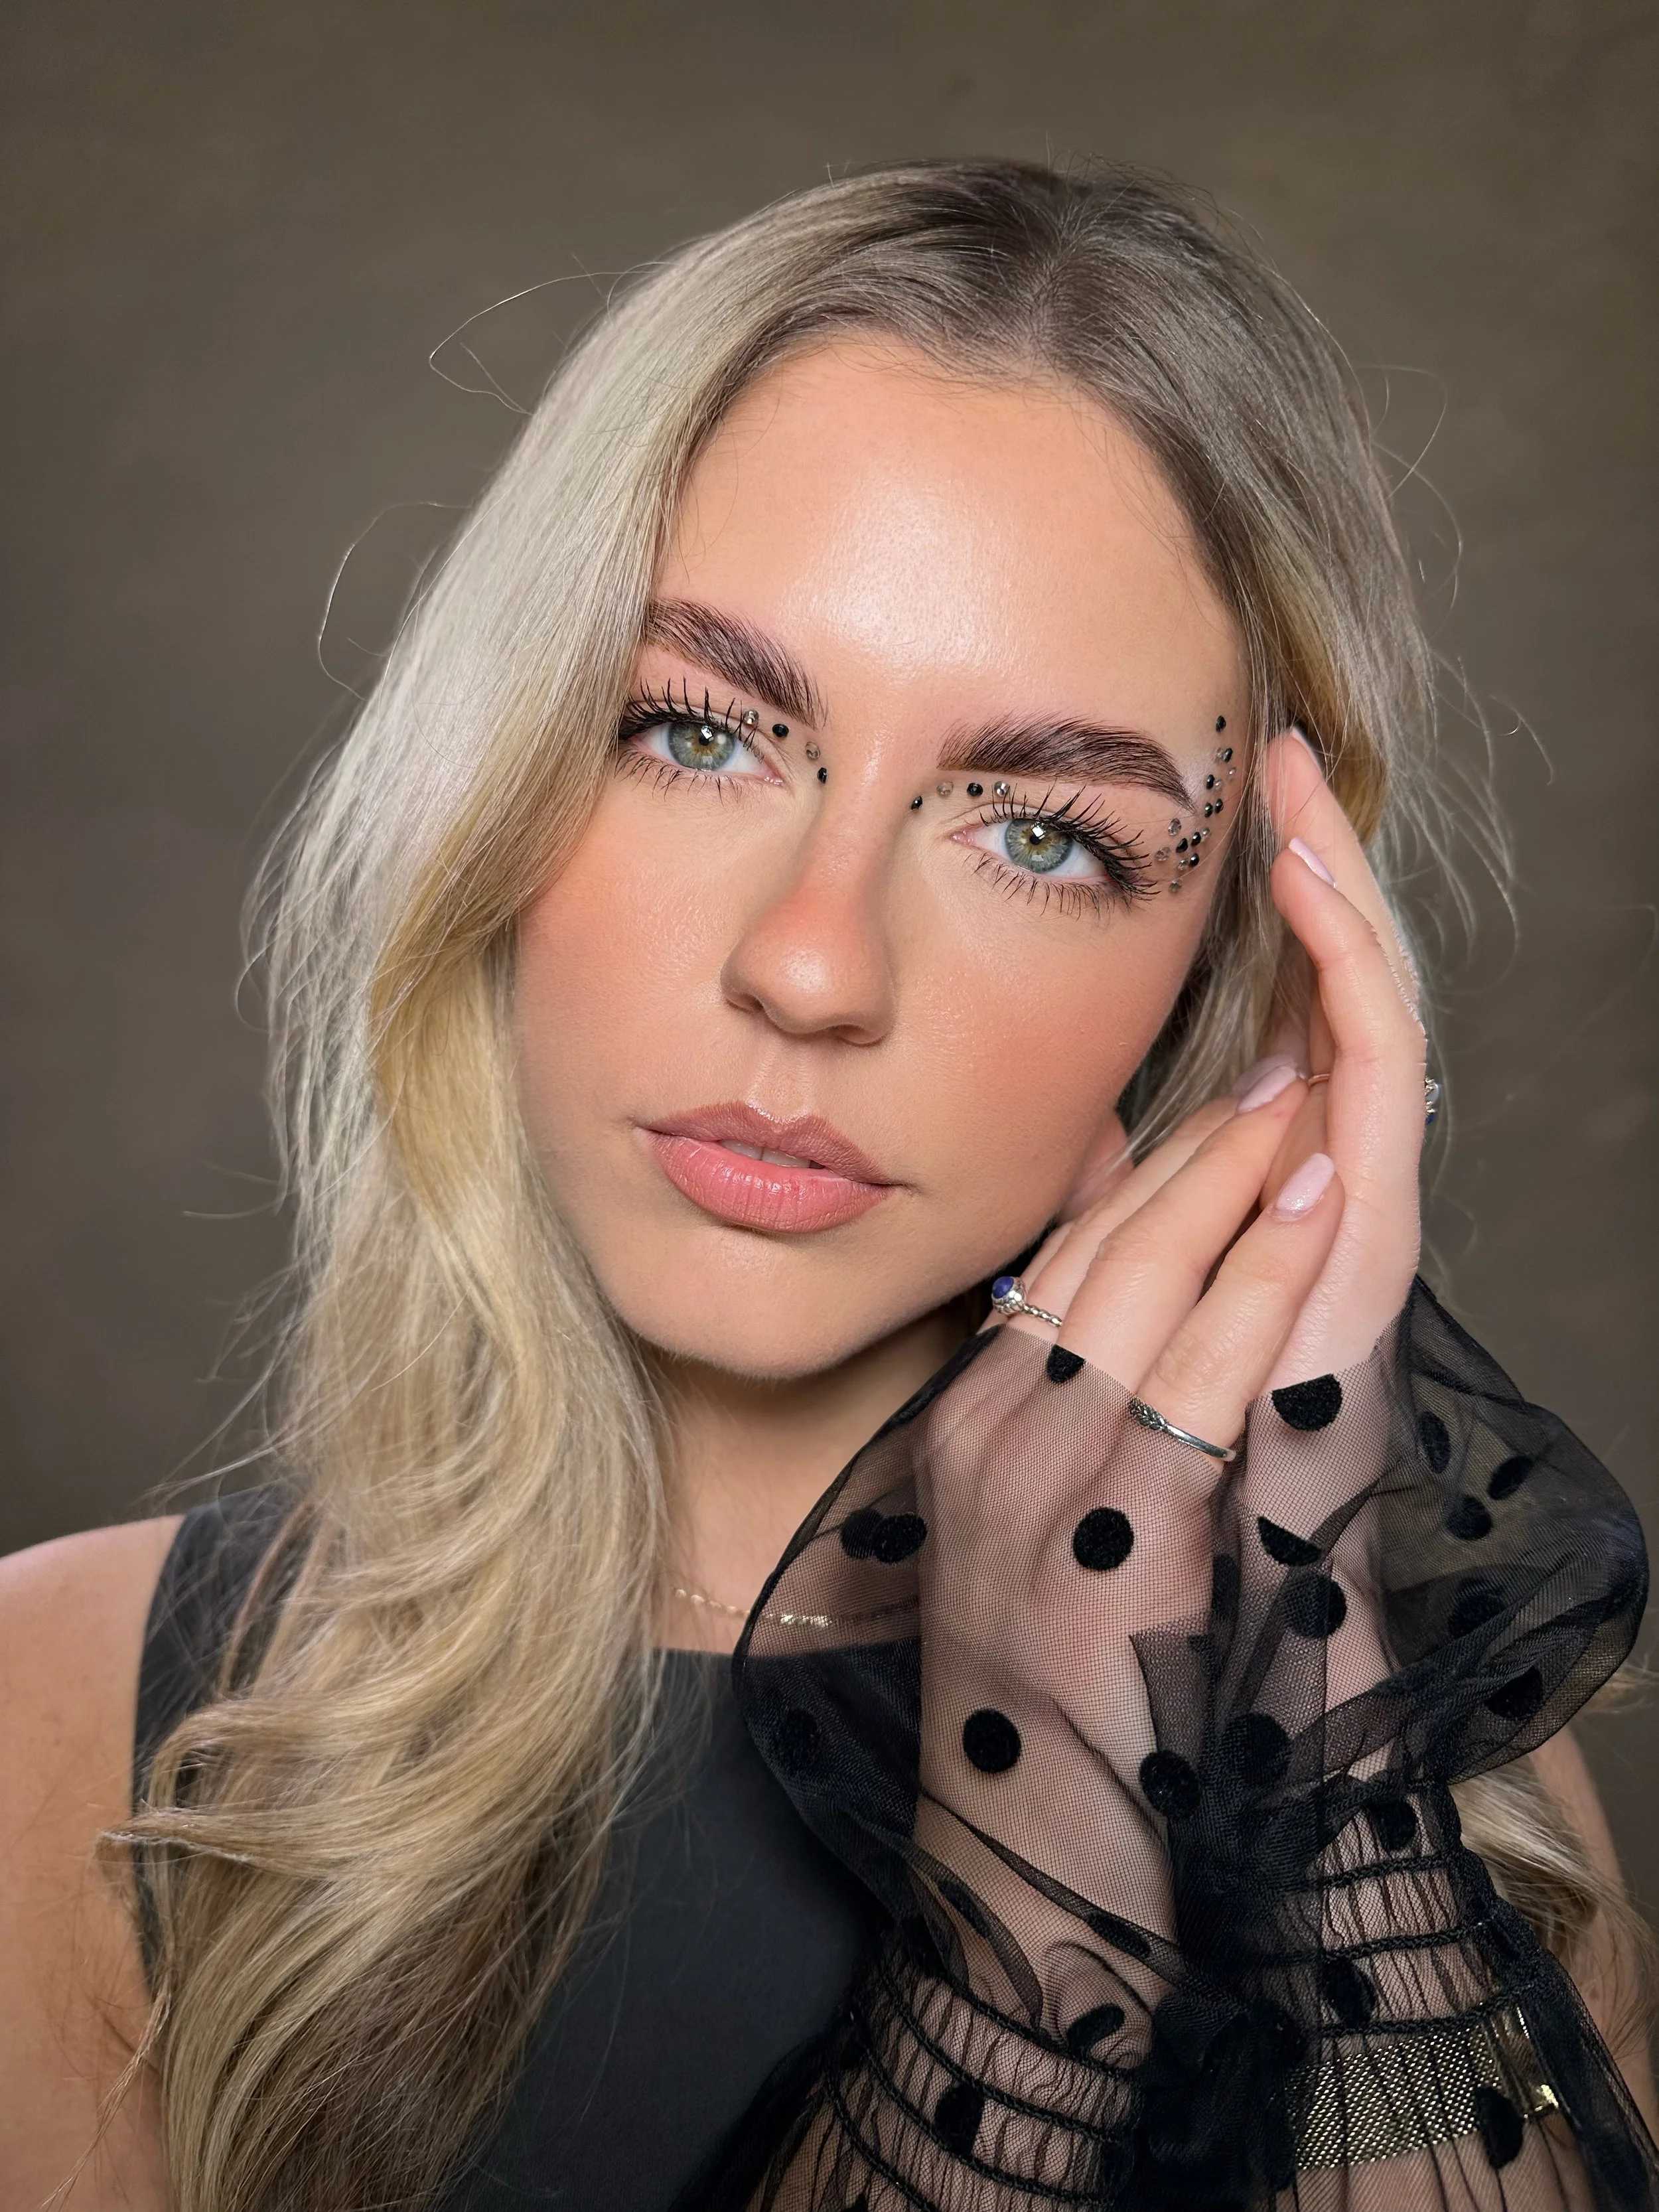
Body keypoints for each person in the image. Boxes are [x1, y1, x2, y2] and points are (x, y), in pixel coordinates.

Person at [0, 159, 1652, 2212]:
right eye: (695, 730)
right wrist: (1031, 1932)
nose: (809, 963)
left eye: (1043, 835)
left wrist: (1277, 1698)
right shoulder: (53, 1730)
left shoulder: (1428, 1811)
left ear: (1235, 960)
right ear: (500, 768)